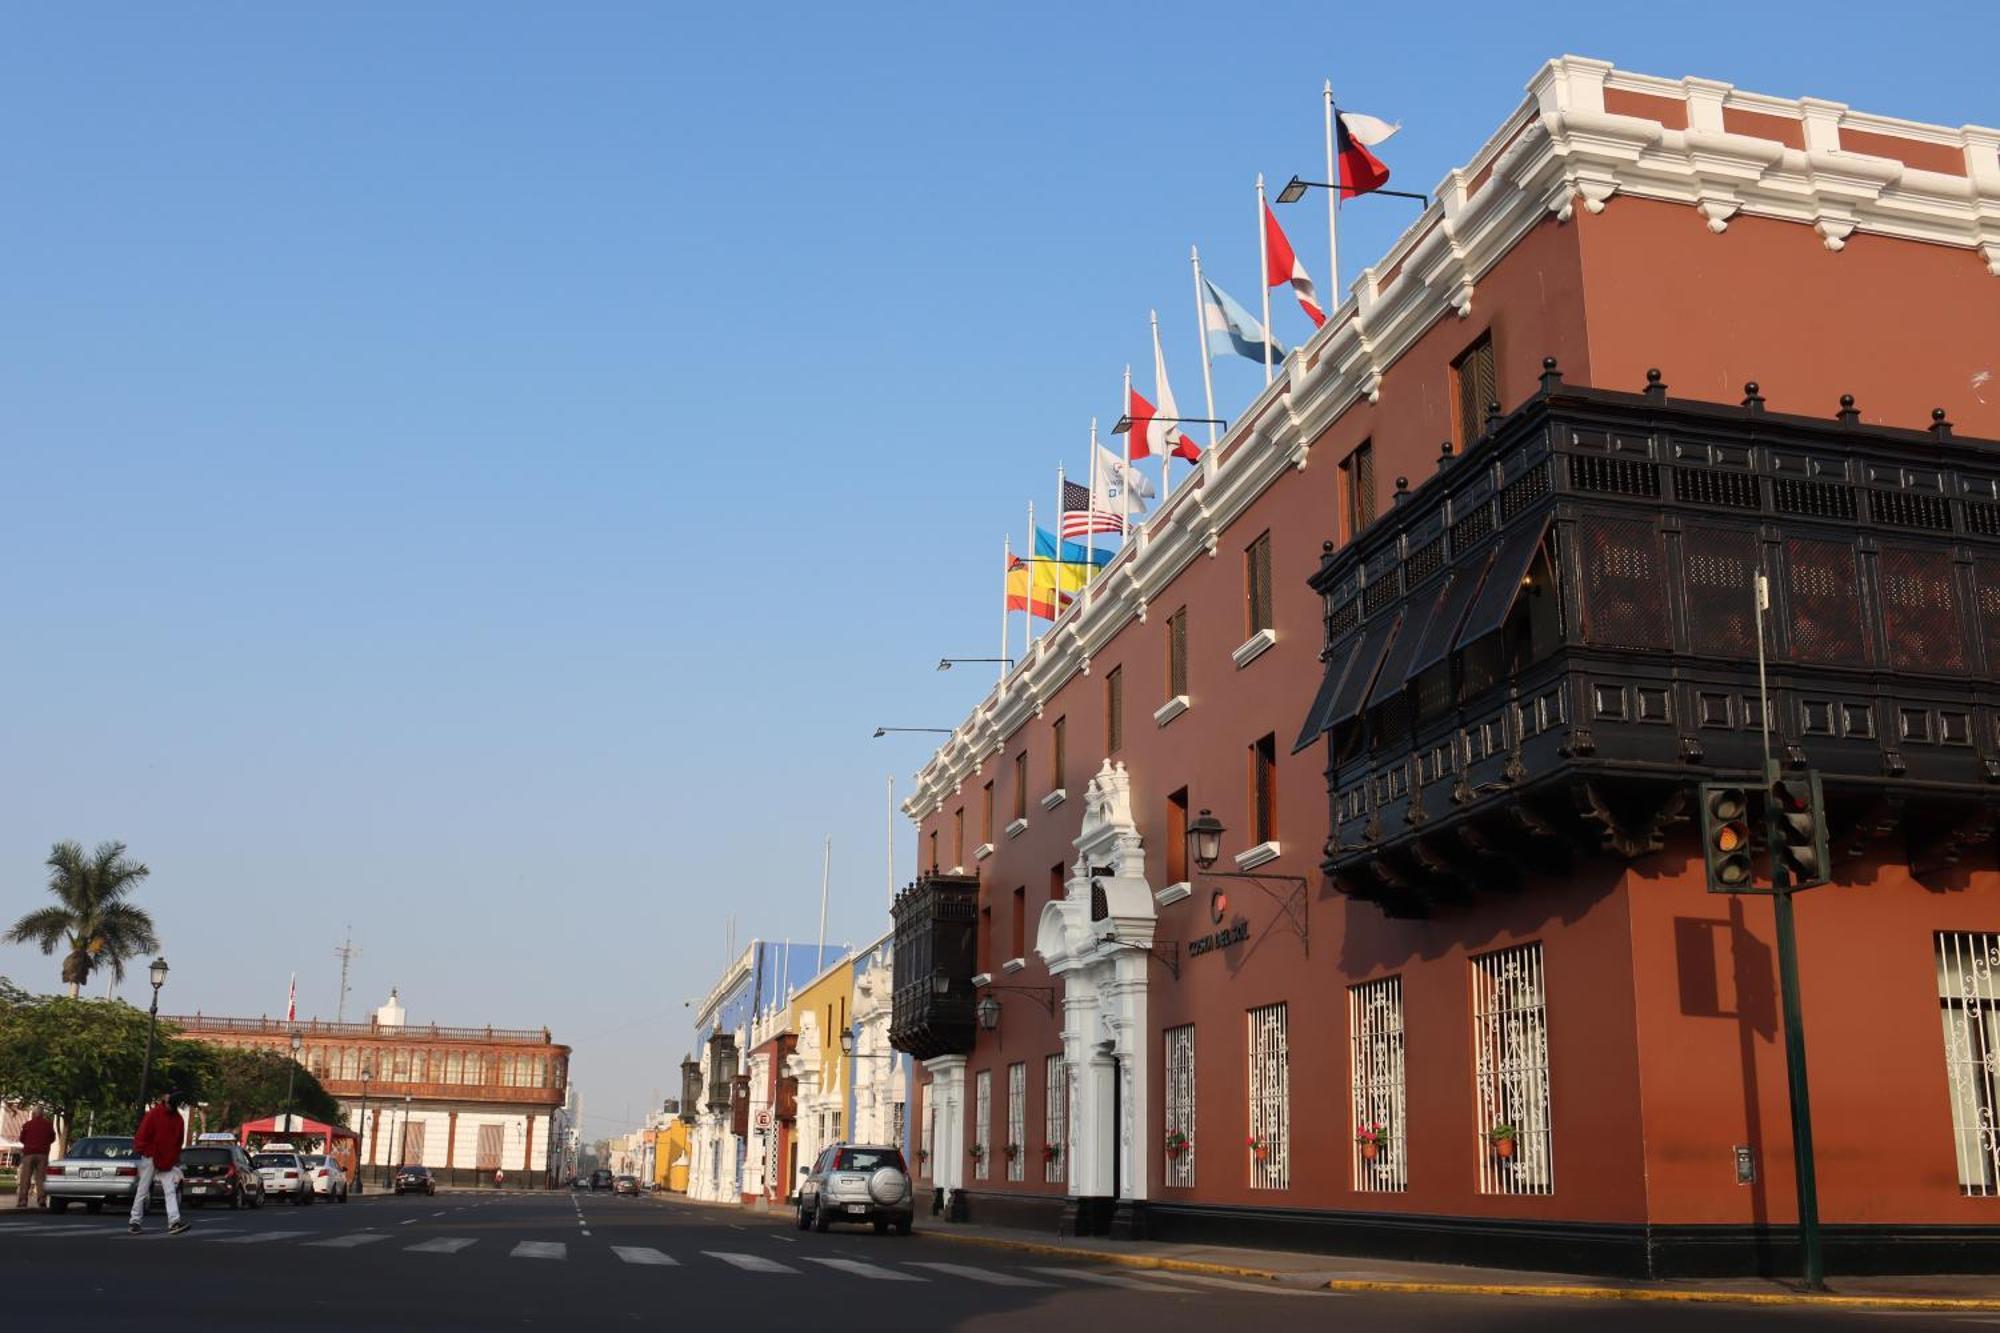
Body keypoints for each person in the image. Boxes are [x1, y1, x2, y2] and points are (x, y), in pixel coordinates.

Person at [129, 1089, 189, 1235]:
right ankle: (135, 1221)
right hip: (152, 1157)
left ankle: (174, 1221)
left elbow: (177, 1142)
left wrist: (173, 1158)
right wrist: (146, 1151)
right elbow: (142, 1136)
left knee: (169, 1190)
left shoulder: (172, 1118)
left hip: (164, 1159)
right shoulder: (156, 1115)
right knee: (143, 1190)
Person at [14, 1106, 55, 1209]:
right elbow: (52, 1138)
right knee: (41, 1178)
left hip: (29, 1153)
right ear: (42, 1114)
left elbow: (22, 1138)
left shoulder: (28, 1125)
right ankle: (41, 1199)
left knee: (25, 1178)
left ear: (33, 1114)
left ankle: (23, 1200)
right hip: (43, 1154)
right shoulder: (48, 1125)